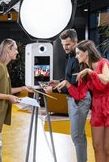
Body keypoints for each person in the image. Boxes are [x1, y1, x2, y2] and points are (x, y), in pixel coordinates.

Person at [56, 40, 109, 162]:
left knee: (107, 148)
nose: (76, 56)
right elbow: (80, 95)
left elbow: (106, 79)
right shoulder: (83, 70)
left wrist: (90, 72)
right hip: (97, 109)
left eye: (78, 53)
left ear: (87, 52)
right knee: (96, 146)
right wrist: (67, 84)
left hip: (108, 106)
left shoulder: (102, 63)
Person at [44, 29, 91, 162]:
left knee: (77, 136)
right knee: (78, 135)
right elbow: (69, 81)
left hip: (79, 100)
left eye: (68, 44)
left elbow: (75, 86)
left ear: (76, 42)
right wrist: (57, 82)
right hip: (73, 99)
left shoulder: (78, 59)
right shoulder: (70, 56)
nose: (65, 47)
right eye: (63, 44)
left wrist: (53, 90)